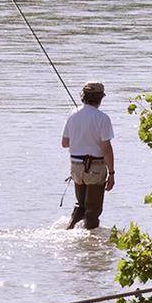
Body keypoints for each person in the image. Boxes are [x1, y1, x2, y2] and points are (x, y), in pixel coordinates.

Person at [61, 81, 114, 230]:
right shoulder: (102, 118)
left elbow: (65, 143)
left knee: (81, 205)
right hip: (96, 167)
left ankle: (69, 229)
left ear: (83, 96)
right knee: (93, 211)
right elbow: (106, 148)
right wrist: (111, 173)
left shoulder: (72, 114)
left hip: (76, 167)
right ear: (100, 98)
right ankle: (89, 244)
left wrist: (81, 138)